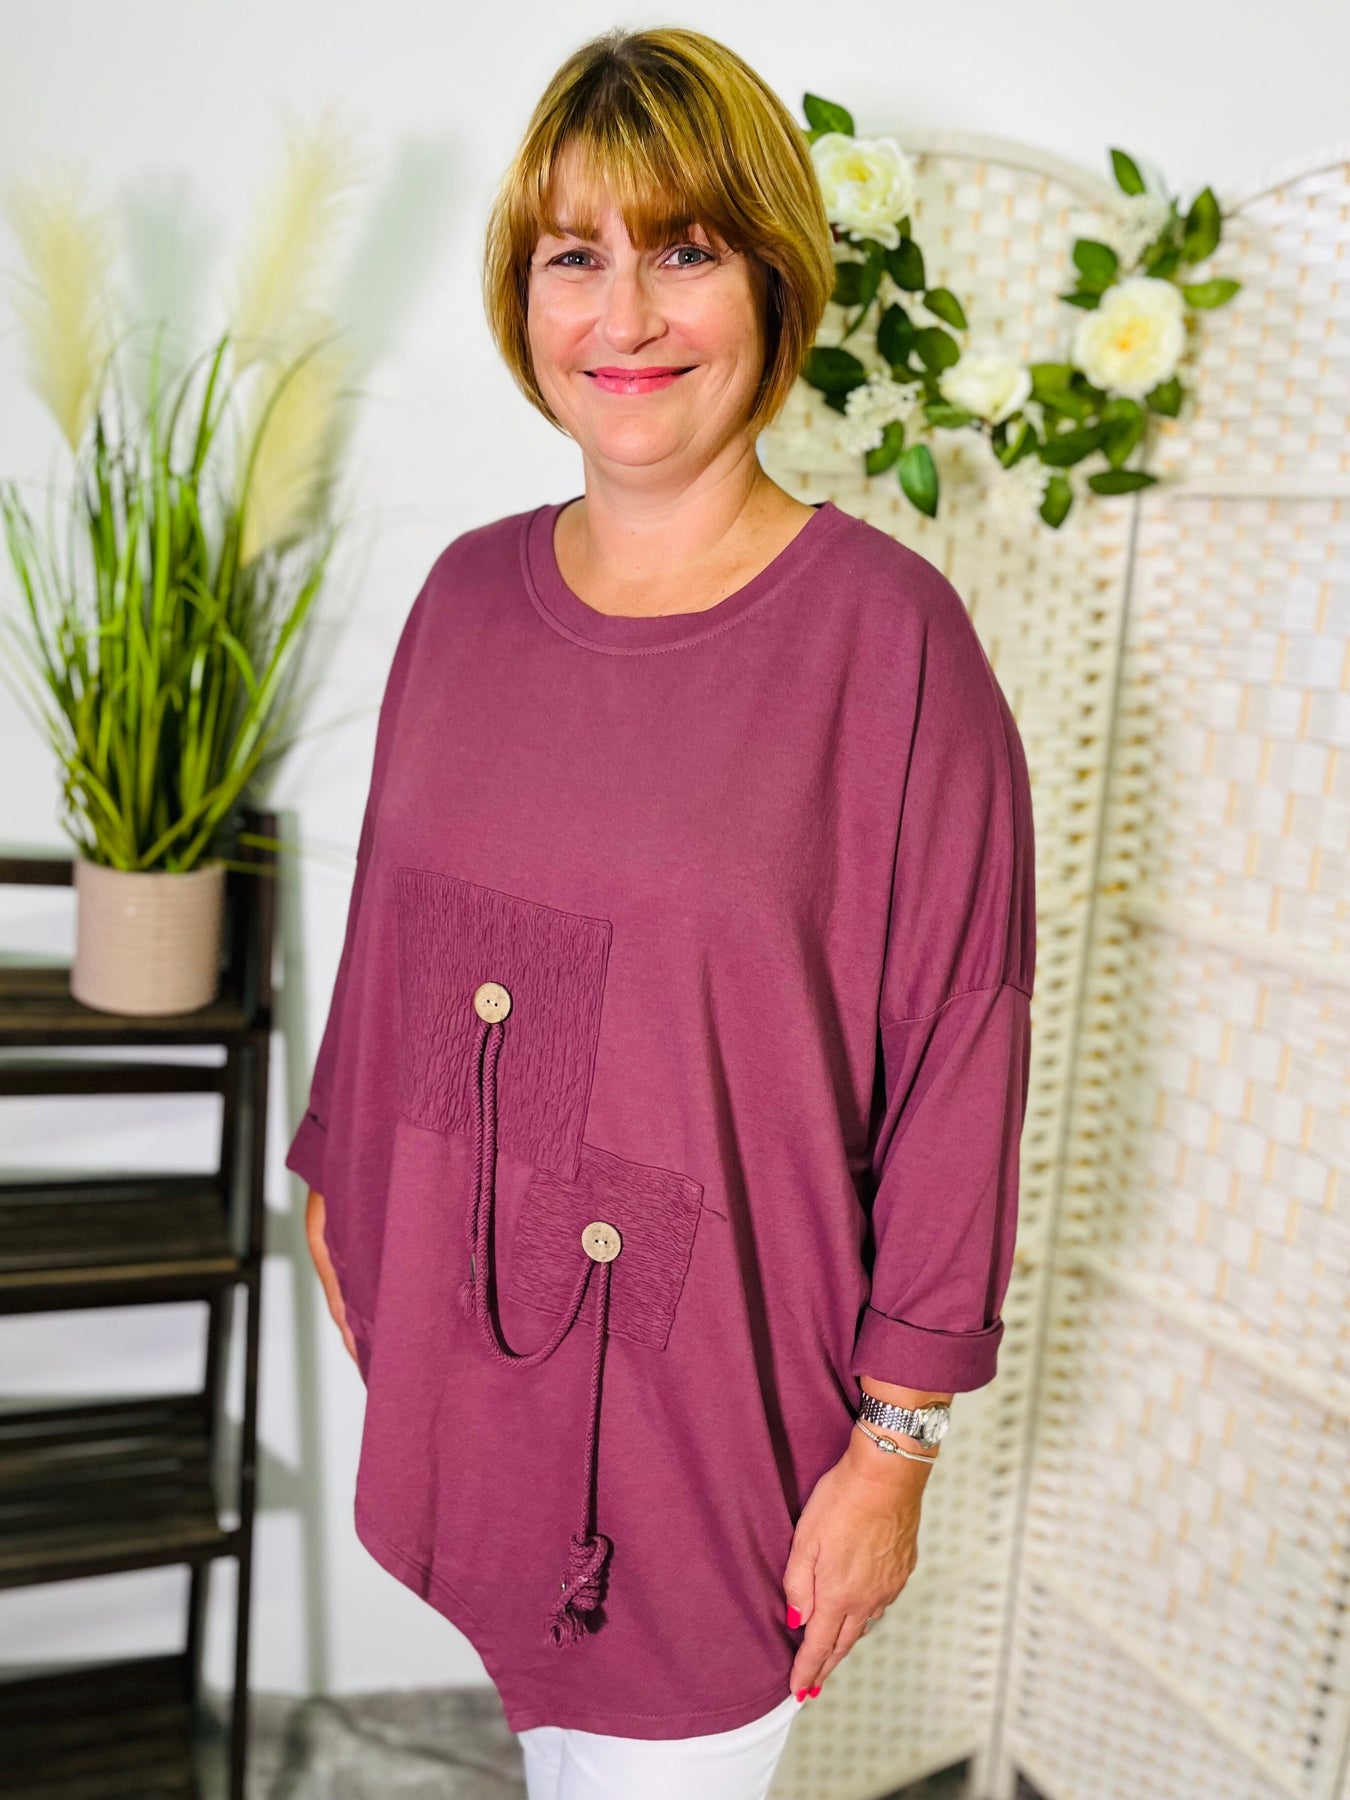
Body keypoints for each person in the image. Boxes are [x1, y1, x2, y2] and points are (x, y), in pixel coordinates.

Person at [288, 25, 1036, 1800]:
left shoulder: (888, 642)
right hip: (478, 1375)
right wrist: (340, 1180)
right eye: (575, 256)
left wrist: (894, 1453)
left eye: (682, 250)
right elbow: (395, 937)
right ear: (522, 293)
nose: (621, 316)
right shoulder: (463, 598)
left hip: (721, 1439)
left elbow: (960, 1058)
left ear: (774, 279)